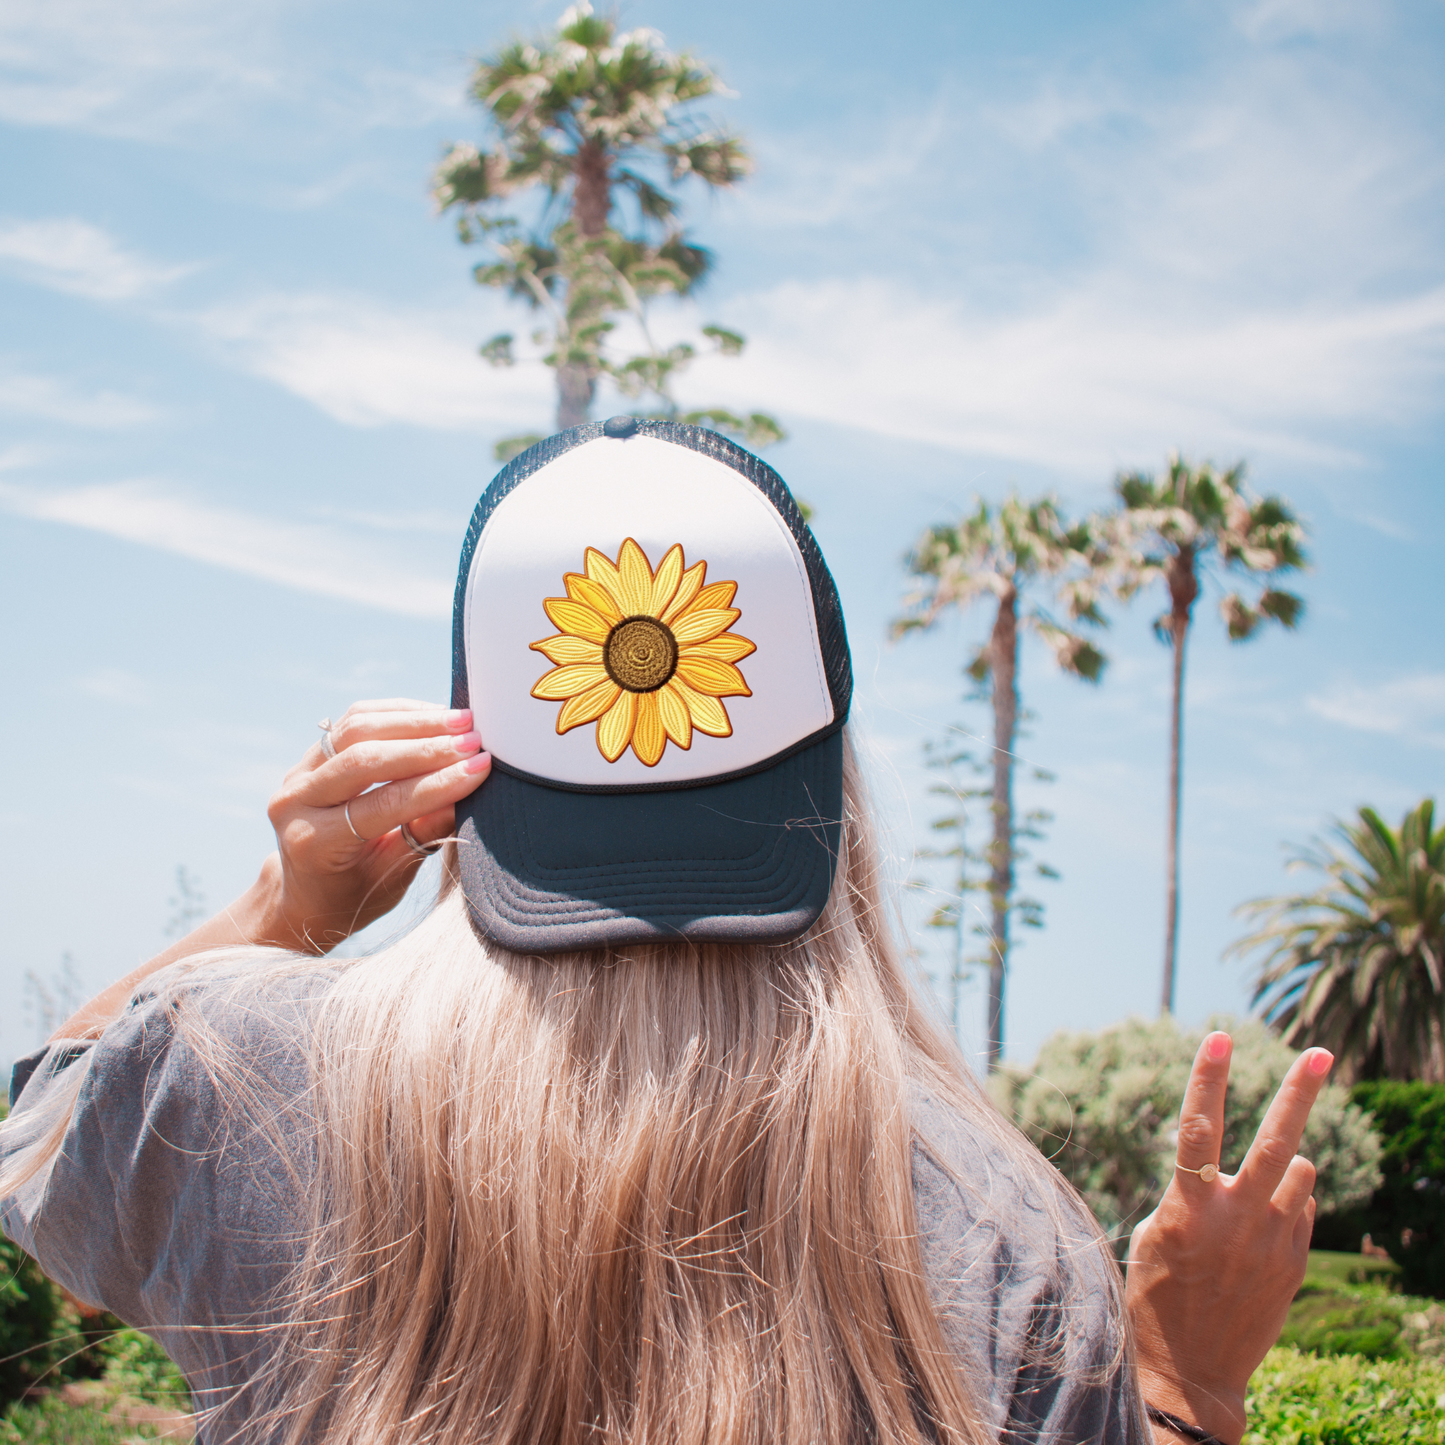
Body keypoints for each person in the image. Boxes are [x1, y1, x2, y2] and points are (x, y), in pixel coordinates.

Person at [1, 421, 1331, 1445]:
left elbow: (33, 1134)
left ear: (468, 761)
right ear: (832, 781)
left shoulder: (234, 1074)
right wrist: (1182, 1386)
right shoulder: (1007, 1238)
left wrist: (281, 916)